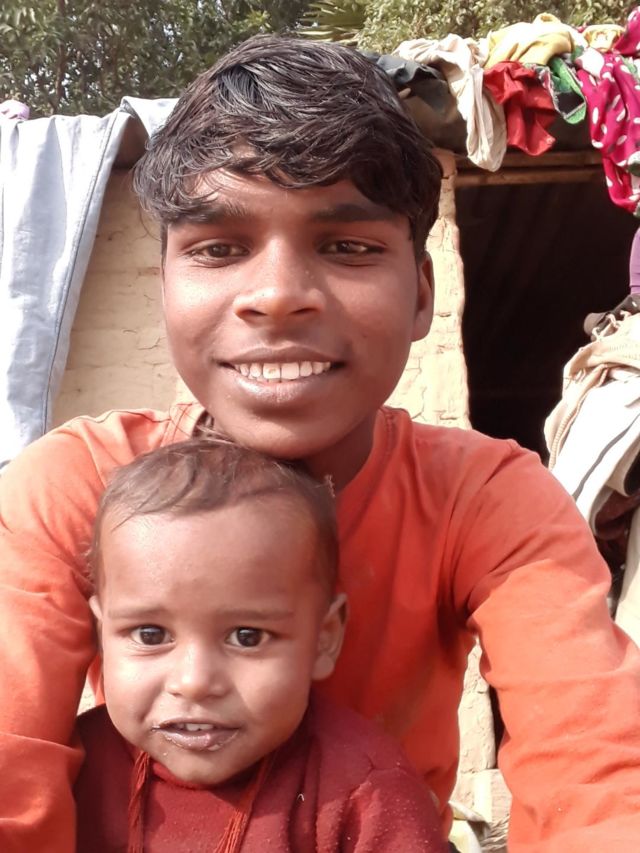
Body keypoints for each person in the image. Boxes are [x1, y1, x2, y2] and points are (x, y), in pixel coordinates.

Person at [1, 34, 640, 853]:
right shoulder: (76, 486)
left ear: (422, 294)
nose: (277, 296)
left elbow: (599, 776)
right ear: (165, 290)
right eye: (218, 248)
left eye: (347, 247)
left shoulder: (484, 501)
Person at [74, 437, 446, 852]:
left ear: (323, 639)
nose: (194, 682)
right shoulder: (71, 768)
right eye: (150, 635)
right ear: (101, 633)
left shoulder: (364, 790)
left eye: (246, 637)